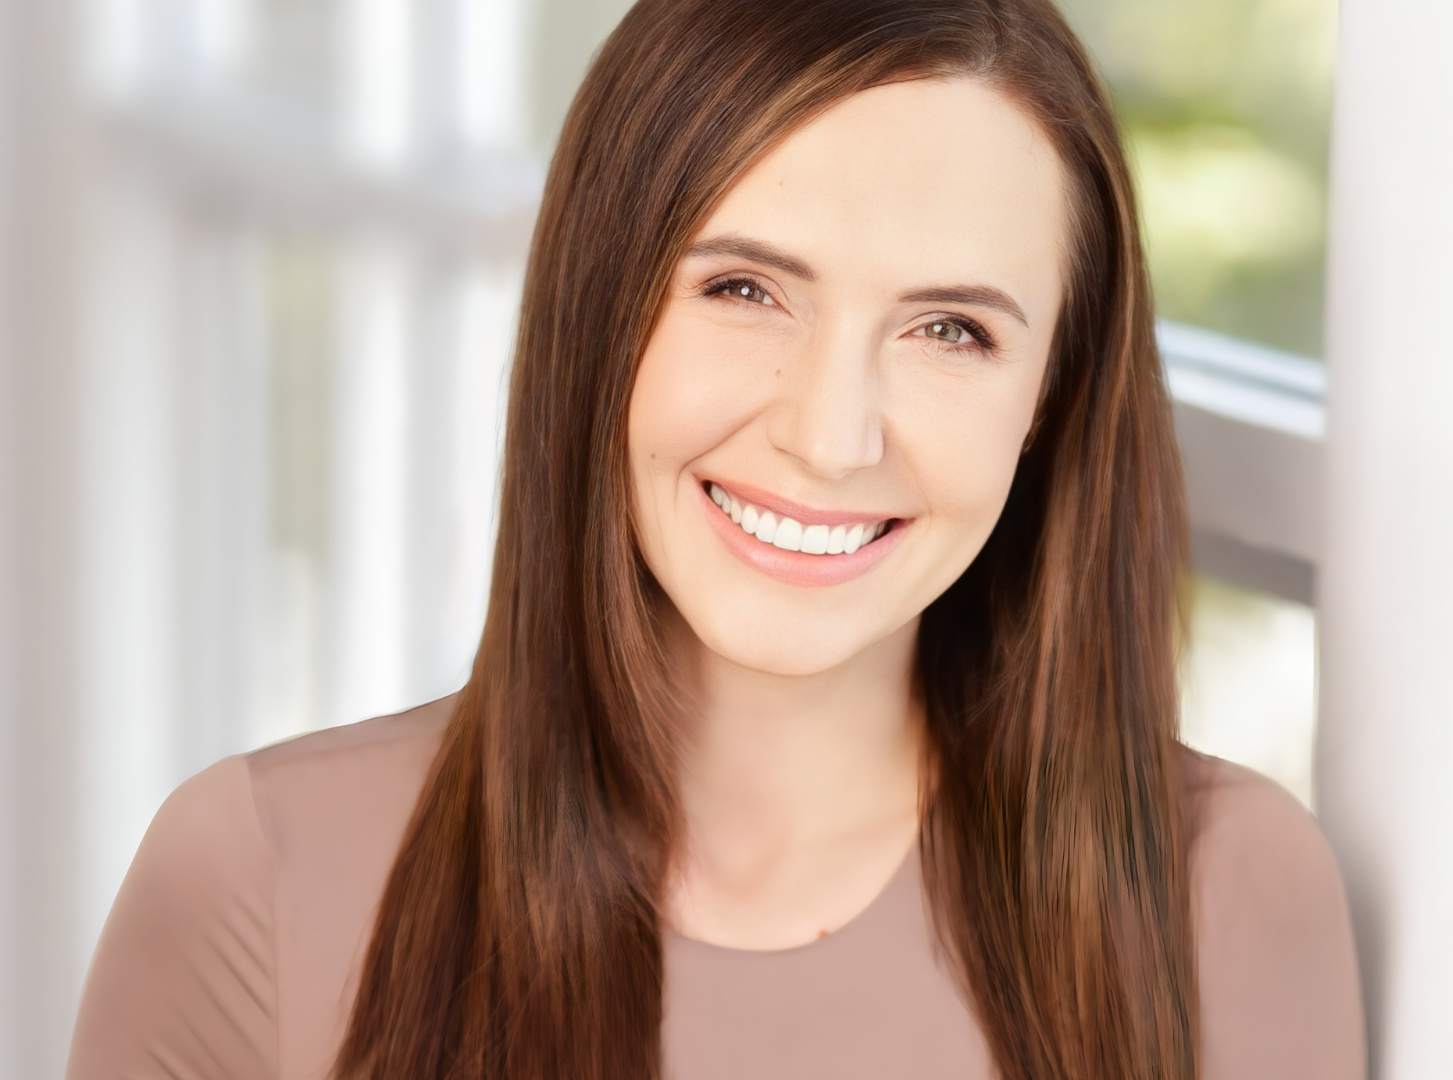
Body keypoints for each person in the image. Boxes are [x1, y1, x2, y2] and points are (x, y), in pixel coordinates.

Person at [64, 1, 1366, 1076]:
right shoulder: (261, 882)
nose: (831, 436)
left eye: (950, 330)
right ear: (601, 313)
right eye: (745, 289)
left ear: (1052, 402)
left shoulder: (1222, 898)